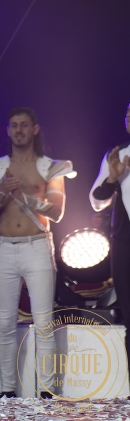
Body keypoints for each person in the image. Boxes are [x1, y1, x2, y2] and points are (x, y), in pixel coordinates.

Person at [0, 107, 74, 399]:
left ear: (34, 129)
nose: (18, 130)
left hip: (37, 246)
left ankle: (46, 390)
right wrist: (2, 191)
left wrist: (27, 197)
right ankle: (7, 389)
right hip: (4, 247)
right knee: (5, 324)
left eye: (24, 125)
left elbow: (57, 212)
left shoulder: (49, 167)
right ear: (8, 131)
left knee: (44, 322)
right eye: (14, 125)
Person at [89, 103, 130, 371]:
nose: (129, 118)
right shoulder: (118, 155)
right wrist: (113, 178)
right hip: (124, 241)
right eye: (128, 114)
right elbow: (96, 201)